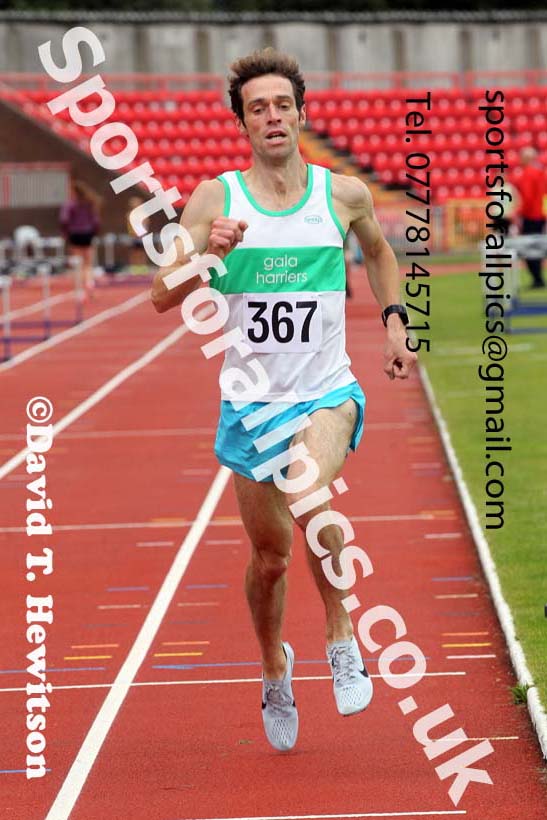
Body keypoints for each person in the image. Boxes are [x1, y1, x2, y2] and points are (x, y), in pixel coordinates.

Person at [151, 48, 416, 752]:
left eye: (281, 105)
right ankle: (274, 667)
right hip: (251, 407)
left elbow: (380, 254)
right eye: (257, 107)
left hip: (327, 391)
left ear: (300, 113)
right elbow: (159, 294)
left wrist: (395, 322)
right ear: (242, 122)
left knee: (310, 494)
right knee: (269, 559)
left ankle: (340, 638)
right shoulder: (216, 199)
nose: (271, 116)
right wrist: (207, 253)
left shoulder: (343, 194)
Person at [59, 179, 101, 296]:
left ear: (74, 191)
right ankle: (89, 284)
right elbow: (96, 221)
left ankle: (80, 289)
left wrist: (65, 233)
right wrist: (94, 232)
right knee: (88, 263)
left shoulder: (70, 204)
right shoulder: (89, 203)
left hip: (75, 234)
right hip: (88, 234)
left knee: (78, 263)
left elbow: (64, 219)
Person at [514, 146, 546, 288]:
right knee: (538, 247)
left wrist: (518, 212)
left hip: (531, 216)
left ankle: (537, 278)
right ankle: (538, 278)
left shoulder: (527, 174)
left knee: (528, 248)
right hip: (541, 214)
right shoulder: (541, 173)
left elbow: (527, 198)